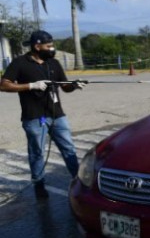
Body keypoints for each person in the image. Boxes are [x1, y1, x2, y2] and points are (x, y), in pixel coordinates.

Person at [0, 30, 86, 199]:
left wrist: (75, 85)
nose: (52, 49)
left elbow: (65, 87)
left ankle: (79, 182)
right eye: (49, 46)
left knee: (68, 148)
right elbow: (3, 85)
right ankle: (39, 184)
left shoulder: (53, 63)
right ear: (37, 46)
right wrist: (31, 86)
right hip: (34, 117)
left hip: (57, 115)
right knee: (37, 152)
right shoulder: (20, 63)